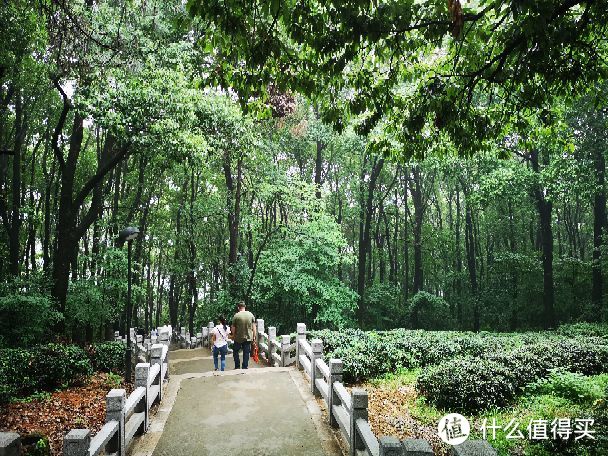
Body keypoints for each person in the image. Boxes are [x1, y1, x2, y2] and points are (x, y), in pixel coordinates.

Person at [231, 301, 256, 369]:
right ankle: (245, 367)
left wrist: (233, 335)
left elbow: (233, 327)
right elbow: (254, 327)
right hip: (248, 337)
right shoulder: (250, 315)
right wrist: (254, 336)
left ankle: (237, 366)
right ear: (245, 307)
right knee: (246, 352)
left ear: (238, 307)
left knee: (235, 351)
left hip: (238, 337)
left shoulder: (236, 315)